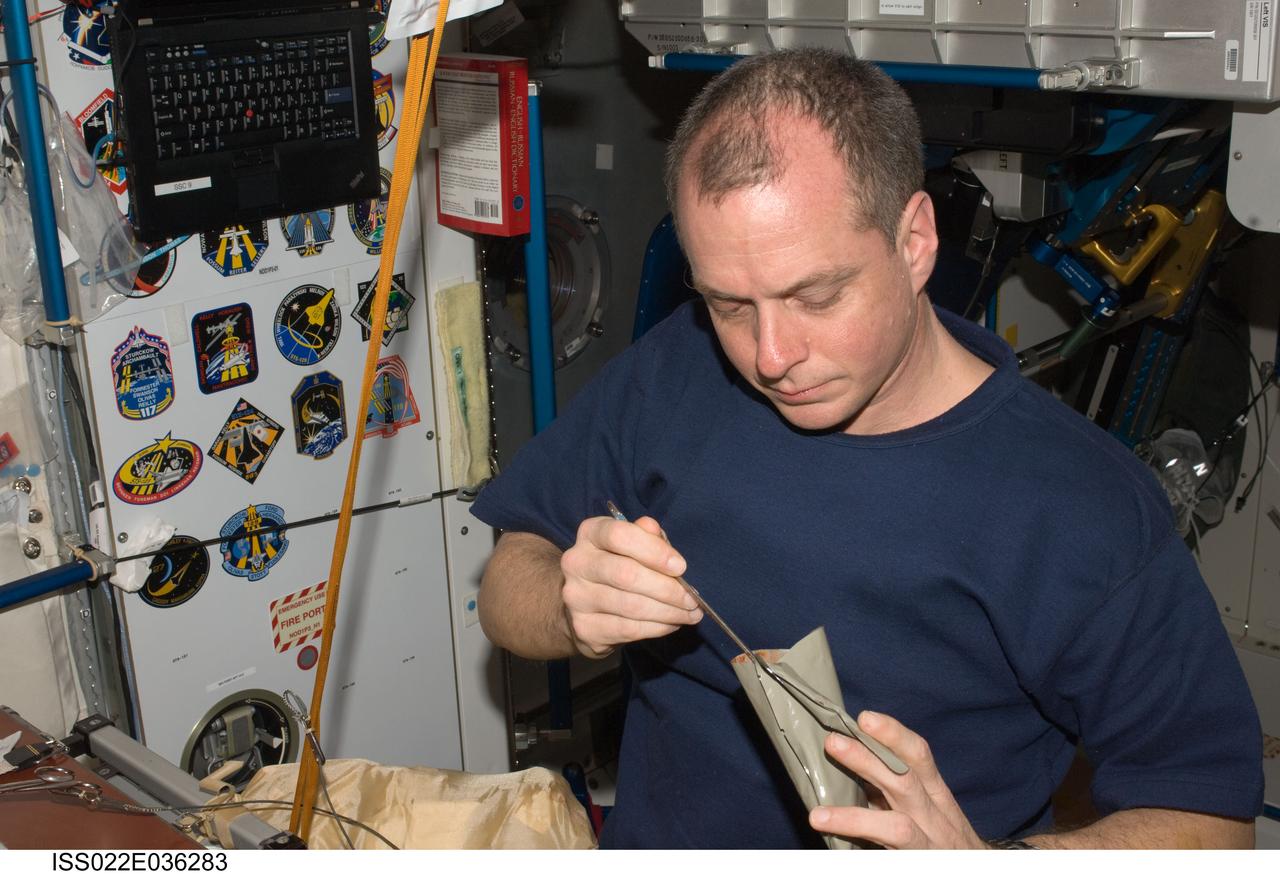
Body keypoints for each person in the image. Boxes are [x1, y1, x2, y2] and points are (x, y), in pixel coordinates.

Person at [470, 48, 1263, 849]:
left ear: (915, 240)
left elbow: (1216, 824)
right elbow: (509, 575)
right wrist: (573, 613)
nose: (770, 355)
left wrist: (995, 863)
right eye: (729, 304)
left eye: (815, 295)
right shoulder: (676, 369)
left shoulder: (1081, 507)